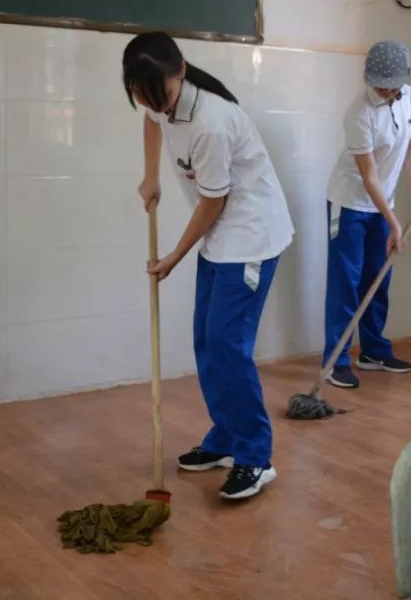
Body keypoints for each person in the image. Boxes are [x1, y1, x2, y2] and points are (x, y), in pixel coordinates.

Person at [123, 32, 293, 500]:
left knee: (227, 345)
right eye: (138, 91)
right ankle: (225, 438)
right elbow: (152, 121)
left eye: (156, 92)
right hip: (220, 236)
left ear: (180, 71)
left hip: (250, 236)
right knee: (206, 340)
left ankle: (256, 457)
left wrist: (173, 257)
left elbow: (213, 202)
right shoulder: (161, 97)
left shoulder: (213, 121)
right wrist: (151, 176)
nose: (148, 100)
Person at [323, 40, 411, 390]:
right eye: (379, 85)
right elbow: (369, 176)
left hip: (383, 205)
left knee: (378, 278)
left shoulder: (409, 96)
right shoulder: (359, 113)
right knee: (347, 283)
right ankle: (335, 359)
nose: (385, 91)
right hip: (351, 203)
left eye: (392, 86)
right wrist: (395, 222)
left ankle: (372, 351)